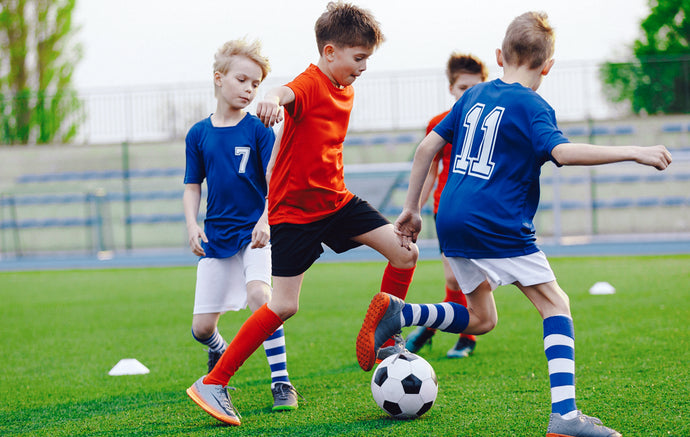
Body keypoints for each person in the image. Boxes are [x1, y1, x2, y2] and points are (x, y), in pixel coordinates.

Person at [358, 11, 672, 437]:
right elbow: (562, 153)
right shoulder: (532, 105)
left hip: (450, 218)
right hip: (497, 222)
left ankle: (403, 312)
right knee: (555, 304)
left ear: (499, 54)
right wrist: (633, 150)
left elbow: (427, 147)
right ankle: (565, 416)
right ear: (548, 66)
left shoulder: (473, 95)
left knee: (482, 318)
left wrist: (411, 209)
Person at [186, 2, 418, 426]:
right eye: (358, 58)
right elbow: (282, 93)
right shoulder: (310, 83)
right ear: (330, 52)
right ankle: (214, 382)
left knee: (404, 253)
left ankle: (387, 338)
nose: (363, 67)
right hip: (294, 215)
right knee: (284, 306)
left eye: (368, 58)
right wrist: (270, 101)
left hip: (337, 201)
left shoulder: (346, 88)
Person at [183, 38, 299, 420]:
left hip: (255, 233)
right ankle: (219, 347)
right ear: (219, 78)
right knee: (201, 328)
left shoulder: (260, 130)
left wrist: (266, 220)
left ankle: (280, 380)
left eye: (255, 83)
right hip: (217, 236)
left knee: (260, 298)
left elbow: (274, 179)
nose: (250, 89)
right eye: (243, 80)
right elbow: (192, 185)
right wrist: (191, 224)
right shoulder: (198, 134)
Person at [405, 52, 488, 359]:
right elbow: (429, 172)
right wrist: (414, 208)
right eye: (464, 88)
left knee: (478, 279)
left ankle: (434, 330)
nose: (470, 93)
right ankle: (461, 336)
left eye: (477, 87)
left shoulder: (488, 125)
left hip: (483, 212)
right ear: (452, 89)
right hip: (447, 211)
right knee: (454, 278)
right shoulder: (438, 124)